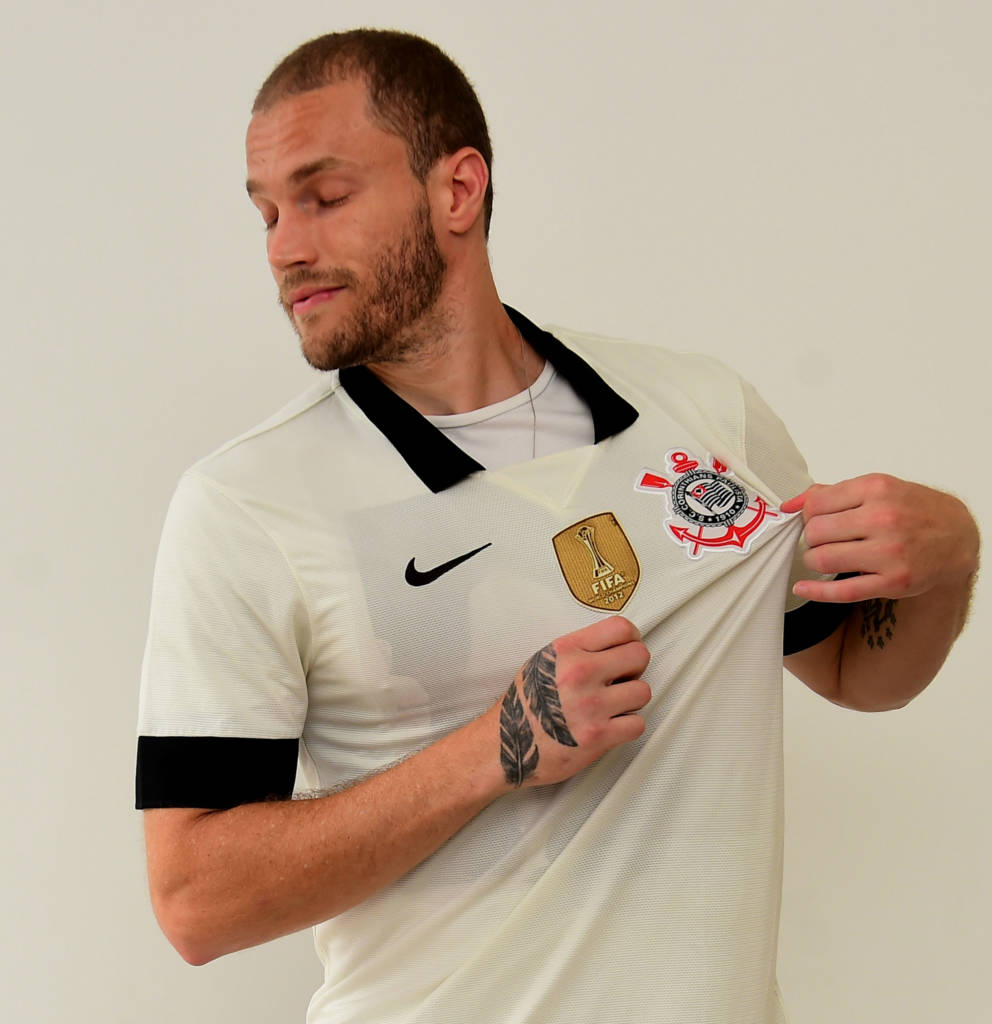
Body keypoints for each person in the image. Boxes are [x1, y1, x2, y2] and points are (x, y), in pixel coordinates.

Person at [136, 28, 979, 1024]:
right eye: (267, 211)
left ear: (457, 190)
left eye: (323, 196)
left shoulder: (701, 408)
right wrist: (492, 749)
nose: (284, 247)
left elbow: (850, 669)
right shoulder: (247, 504)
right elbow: (194, 899)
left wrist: (951, 556)